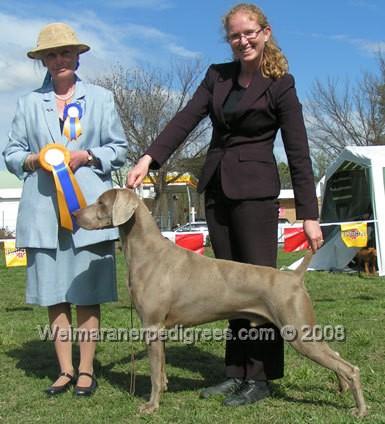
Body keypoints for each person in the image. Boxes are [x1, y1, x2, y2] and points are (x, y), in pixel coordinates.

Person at [126, 3, 323, 406]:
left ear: (265, 32)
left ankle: (260, 376)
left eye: (249, 32)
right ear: (228, 40)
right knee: (226, 289)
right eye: (235, 35)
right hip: (216, 191)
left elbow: (299, 152)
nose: (243, 41)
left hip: (255, 194)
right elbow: (185, 119)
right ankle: (235, 372)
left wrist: (309, 214)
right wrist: (149, 158)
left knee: (261, 288)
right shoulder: (217, 76)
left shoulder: (280, 83)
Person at [3, 23, 128, 396]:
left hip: (90, 214)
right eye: (51, 54)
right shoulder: (27, 104)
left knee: (88, 293)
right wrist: (32, 160)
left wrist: (86, 155)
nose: (59, 60)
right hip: (44, 212)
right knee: (54, 293)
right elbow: (10, 152)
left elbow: (118, 149)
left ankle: (87, 370)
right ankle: (64, 370)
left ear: (78, 56)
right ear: (43, 60)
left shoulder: (102, 99)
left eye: (65, 53)